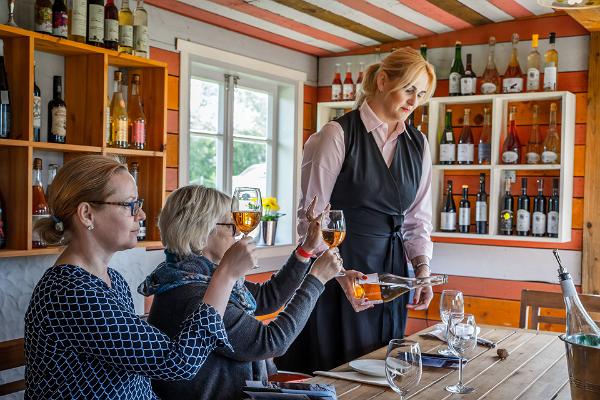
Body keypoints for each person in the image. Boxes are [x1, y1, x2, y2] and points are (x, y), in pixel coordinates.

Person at [25, 155, 253, 399]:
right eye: (130, 205)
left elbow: (135, 379)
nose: (142, 214)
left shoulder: (111, 280)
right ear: (87, 215)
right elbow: (179, 362)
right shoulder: (70, 293)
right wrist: (225, 275)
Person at [277, 47, 437, 374]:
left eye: (420, 94)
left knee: (384, 368)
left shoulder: (419, 144)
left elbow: (416, 221)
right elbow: (311, 222)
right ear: (382, 81)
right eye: (408, 89)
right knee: (337, 371)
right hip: (337, 269)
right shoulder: (336, 136)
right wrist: (338, 273)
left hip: (391, 273)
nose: (413, 100)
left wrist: (421, 270)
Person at [139, 185, 347, 400]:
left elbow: (268, 297)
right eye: (232, 225)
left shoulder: (201, 275)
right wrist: (317, 280)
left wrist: (306, 249)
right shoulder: (193, 293)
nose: (239, 233)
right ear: (201, 232)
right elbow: (271, 341)